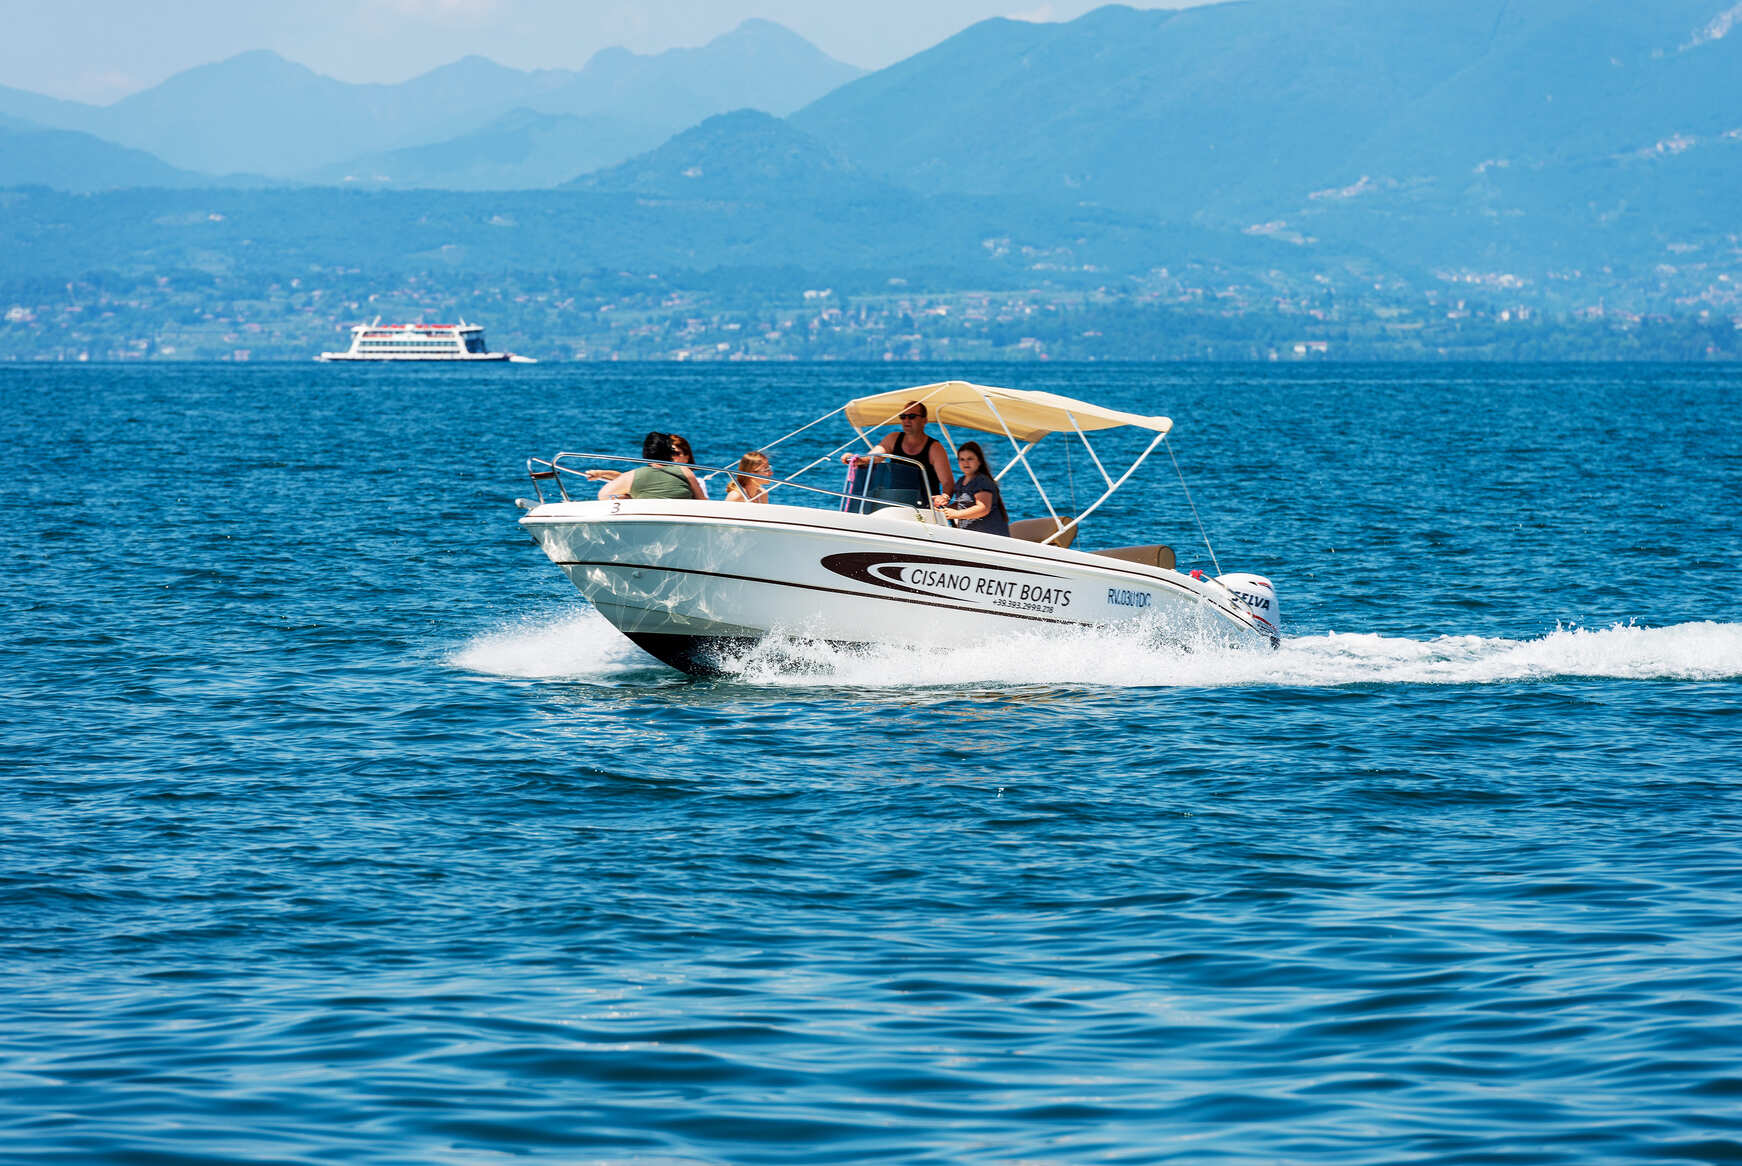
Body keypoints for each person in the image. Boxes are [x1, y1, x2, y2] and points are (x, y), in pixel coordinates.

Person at [840, 399, 954, 505]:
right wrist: (858, 459)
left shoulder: (935, 448)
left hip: (925, 505)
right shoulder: (893, 439)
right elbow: (874, 457)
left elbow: (947, 481)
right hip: (895, 502)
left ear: (924, 420)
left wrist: (944, 497)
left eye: (912, 416)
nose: (906, 420)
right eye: (903, 416)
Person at [933, 440, 1010, 537]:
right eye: (962, 459)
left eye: (970, 459)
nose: (966, 463)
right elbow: (962, 504)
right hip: (971, 536)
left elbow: (983, 508)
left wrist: (956, 514)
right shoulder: (961, 481)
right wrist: (943, 511)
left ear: (979, 461)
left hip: (990, 537)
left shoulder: (982, 481)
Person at [598, 431, 705, 500]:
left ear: (645, 453)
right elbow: (703, 501)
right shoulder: (685, 471)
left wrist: (628, 497)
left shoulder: (632, 476)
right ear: (668, 452)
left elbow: (603, 495)